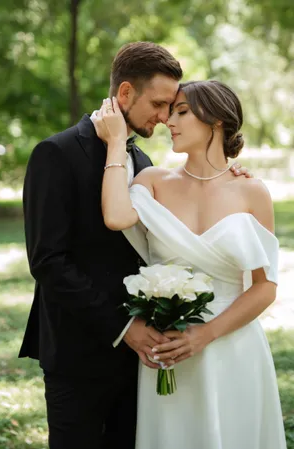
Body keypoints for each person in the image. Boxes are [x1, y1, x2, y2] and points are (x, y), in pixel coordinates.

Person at [19, 41, 251, 449]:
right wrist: (126, 328)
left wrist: (231, 177)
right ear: (125, 93)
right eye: (160, 104)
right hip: (79, 355)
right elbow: (48, 262)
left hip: (140, 362)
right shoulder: (55, 154)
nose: (164, 118)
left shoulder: (142, 164)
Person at [95, 80, 287, 449]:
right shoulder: (153, 180)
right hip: (167, 349)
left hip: (233, 346)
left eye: (181, 111)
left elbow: (265, 287)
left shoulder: (252, 191)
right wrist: (116, 143)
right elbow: (116, 216)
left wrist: (206, 333)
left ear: (216, 120)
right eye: (171, 112)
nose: (169, 120)